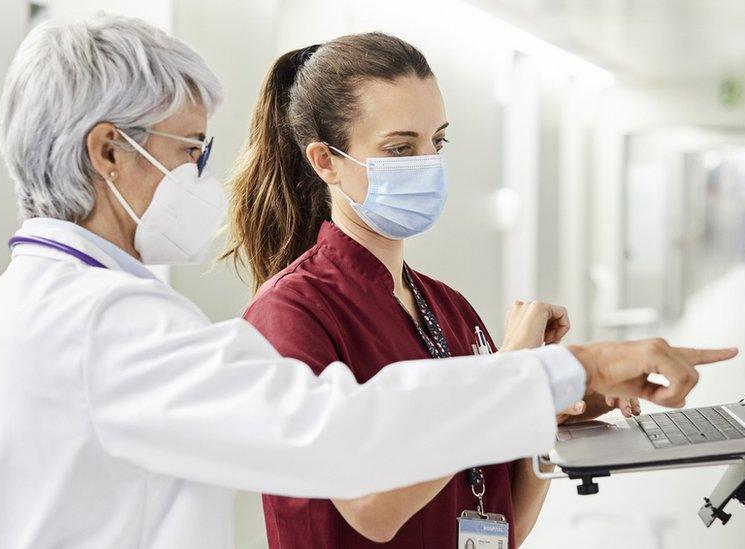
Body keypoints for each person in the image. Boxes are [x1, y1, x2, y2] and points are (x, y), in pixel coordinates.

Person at [0, 14, 736, 549]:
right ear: (108, 150)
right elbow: (344, 439)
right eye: (190, 148)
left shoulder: (2, 312)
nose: (202, 173)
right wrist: (566, 368)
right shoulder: (111, 324)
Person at [223, 33, 643, 548]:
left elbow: (502, 524)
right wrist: (509, 374)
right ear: (325, 161)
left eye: (436, 142)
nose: (427, 162)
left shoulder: (449, 309)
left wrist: (545, 404)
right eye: (400, 148)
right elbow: (373, 511)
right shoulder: (290, 314)